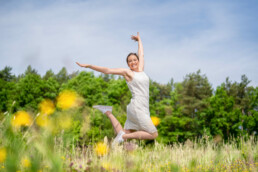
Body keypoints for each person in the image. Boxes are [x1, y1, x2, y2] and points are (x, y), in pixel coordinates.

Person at [76, 32, 158, 145]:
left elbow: (141, 53)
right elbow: (107, 70)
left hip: (143, 107)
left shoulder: (141, 71)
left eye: (135, 60)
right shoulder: (128, 73)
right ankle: (123, 136)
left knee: (126, 132)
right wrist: (90, 66)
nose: (133, 62)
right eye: (130, 61)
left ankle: (108, 112)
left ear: (138, 61)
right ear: (128, 64)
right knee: (153, 134)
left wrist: (139, 40)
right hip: (137, 107)